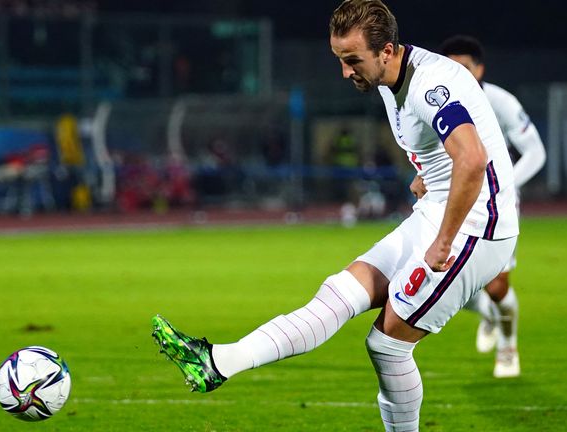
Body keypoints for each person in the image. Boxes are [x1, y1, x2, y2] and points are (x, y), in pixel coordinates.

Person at [152, 1, 519, 430]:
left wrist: (444, 239)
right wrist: (430, 174)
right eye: (340, 60)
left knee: (388, 345)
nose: (346, 72)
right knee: (338, 293)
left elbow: (473, 160)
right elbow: (456, 146)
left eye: (352, 60)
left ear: (386, 50)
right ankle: (219, 360)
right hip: (438, 210)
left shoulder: (428, 84)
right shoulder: (391, 78)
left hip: (475, 229)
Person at [429, 35, 545, 378]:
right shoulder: (435, 98)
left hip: (496, 203)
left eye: (463, 66)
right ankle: (489, 315)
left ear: (480, 69)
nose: (456, 73)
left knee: (495, 286)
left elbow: (536, 152)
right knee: (443, 277)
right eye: (449, 66)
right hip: (448, 200)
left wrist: (505, 185)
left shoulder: (499, 101)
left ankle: (508, 346)